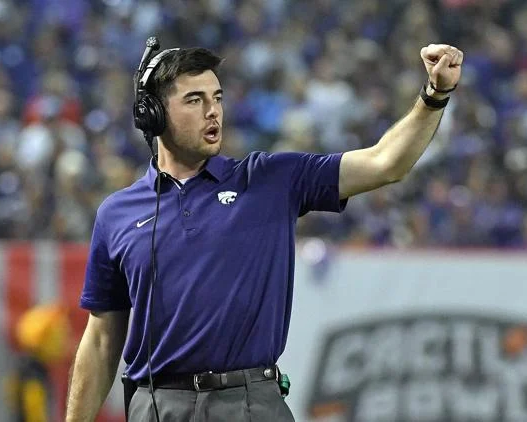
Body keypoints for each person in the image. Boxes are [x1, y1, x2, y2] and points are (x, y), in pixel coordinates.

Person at [65, 41, 463, 421]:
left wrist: (434, 94)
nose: (213, 112)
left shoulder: (269, 179)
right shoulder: (116, 214)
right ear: (152, 113)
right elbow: (100, 340)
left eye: (217, 98)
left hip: (250, 403)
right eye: (194, 100)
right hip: (157, 405)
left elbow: (385, 163)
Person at [5, 303, 70, 421]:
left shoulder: (24, 368)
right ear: (43, 340)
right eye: (58, 337)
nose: (63, 342)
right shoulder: (34, 378)